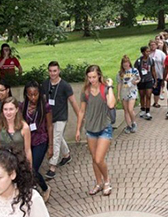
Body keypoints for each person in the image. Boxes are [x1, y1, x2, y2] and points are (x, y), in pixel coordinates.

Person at [76, 65, 116, 196]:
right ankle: (98, 183)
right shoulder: (86, 91)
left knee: (99, 159)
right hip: (90, 129)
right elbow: (81, 111)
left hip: (104, 127)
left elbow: (111, 104)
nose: (92, 79)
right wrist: (78, 129)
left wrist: (110, 87)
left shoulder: (105, 89)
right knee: (94, 159)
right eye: (89, 77)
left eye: (94, 77)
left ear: (99, 75)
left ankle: (107, 182)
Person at [42, 61, 80, 179]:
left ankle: (52, 167)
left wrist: (80, 115)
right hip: (49, 117)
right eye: (50, 71)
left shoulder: (65, 85)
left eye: (55, 71)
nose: (52, 73)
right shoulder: (45, 84)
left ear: (59, 71)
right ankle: (66, 155)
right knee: (58, 137)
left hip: (61, 117)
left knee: (55, 140)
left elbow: (73, 101)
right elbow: (42, 100)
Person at [20, 80, 53, 202]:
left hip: (41, 140)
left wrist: (51, 146)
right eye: (30, 94)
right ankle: (32, 189)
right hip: (27, 141)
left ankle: (45, 188)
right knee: (26, 168)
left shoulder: (45, 106)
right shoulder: (22, 107)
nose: (33, 97)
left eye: (35, 94)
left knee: (33, 168)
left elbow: (50, 126)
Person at [0, 97, 32, 166]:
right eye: (5, 109)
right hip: (3, 163)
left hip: (19, 162)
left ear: (16, 109)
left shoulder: (24, 127)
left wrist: (30, 167)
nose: (8, 112)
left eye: (11, 109)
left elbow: (27, 150)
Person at [116, 55, 140, 133]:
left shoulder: (134, 70)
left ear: (129, 63)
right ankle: (128, 125)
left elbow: (138, 79)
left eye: (127, 62)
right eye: (124, 63)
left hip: (132, 91)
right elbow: (119, 84)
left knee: (130, 109)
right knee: (126, 110)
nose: (125, 64)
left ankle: (134, 123)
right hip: (124, 92)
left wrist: (136, 82)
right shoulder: (120, 73)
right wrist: (118, 95)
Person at [135, 46, 157, 120]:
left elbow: (153, 71)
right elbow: (135, 71)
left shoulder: (151, 60)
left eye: (149, 51)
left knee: (148, 95)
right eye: (146, 51)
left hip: (149, 80)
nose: (148, 53)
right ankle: (142, 108)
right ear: (143, 52)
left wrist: (155, 80)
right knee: (142, 95)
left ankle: (148, 110)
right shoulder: (138, 61)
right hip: (141, 80)